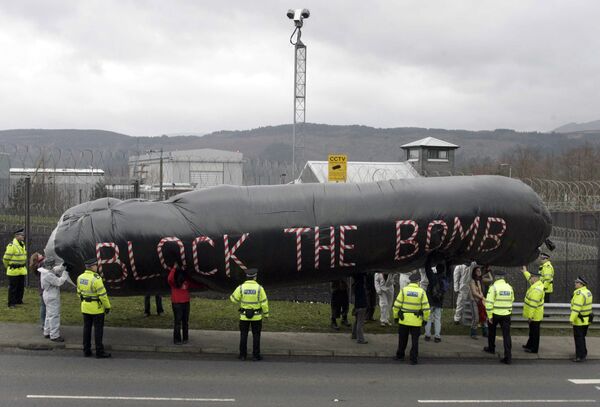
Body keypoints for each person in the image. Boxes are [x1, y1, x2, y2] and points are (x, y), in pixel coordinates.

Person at [230, 268, 269, 361]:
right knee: (256, 336)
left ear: (247, 277)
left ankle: (242, 355)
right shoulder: (260, 288)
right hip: (257, 317)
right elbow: (264, 302)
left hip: (244, 316)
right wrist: (266, 314)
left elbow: (233, 299)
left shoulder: (241, 288)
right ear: (255, 277)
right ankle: (256, 356)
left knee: (243, 335)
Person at [77, 258, 112, 358]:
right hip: (97, 309)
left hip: (85, 308)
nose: (97, 267)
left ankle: (86, 350)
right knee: (98, 330)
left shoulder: (80, 277)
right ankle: (99, 351)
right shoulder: (96, 279)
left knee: (86, 329)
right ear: (92, 267)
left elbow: (79, 293)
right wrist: (107, 307)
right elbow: (103, 295)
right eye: (96, 265)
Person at [393, 272, 430, 365]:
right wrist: (425, 320)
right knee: (415, 341)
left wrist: (396, 317)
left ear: (410, 281)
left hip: (404, 320)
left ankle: (400, 356)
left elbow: (396, 306)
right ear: (418, 281)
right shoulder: (421, 292)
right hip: (416, 321)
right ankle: (413, 359)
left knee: (402, 339)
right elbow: (426, 309)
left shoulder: (404, 290)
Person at [483, 269, 514, 364]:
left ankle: (491, 348)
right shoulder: (509, 287)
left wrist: (489, 316)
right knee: (506, 335)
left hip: (495, 314)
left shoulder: (493, 287)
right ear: (503, 277)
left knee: (492, 332)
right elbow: (512, 299)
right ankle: (508, 357)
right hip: (506, 315)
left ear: (496, 277)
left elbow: (488, 303)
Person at [167, 263, 202, 344]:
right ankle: (177, 340)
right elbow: (169, 278)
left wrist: (204, 285)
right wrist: (174, 268)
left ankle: (185, 338)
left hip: (186, 303)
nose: (183, 284)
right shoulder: (173, 283)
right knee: (178, 322)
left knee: (185, 322)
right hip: (177, 304)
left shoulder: (186, 282)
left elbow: (194, 284)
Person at [39, 258, 69, 342]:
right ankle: (54, 335)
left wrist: (63, 266)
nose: (53, 266)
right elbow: (59, 282)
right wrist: (66, 272)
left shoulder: (45, 271)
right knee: (54, 316)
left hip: (47, 294)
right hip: (52, 295)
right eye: (52, 265)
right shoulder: (48, 275)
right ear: (49, 265)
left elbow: (55, 269)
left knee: (49, 315)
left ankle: (47, 331)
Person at [521, 266, 544, 354]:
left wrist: (530, 316)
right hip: (535, 315)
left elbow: (533, 305)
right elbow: (529, 278)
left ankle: (534, 349)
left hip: (534, 315)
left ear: (535, 279)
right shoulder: (536, 285)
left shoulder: (536, 290)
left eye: (531, 278)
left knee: (535, 333)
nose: (530, 279)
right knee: (532, 332)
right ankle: (529, 345)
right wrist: (525, 272)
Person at [570, 276, 593, 362]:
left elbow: (576, 308)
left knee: (578, 338)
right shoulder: (588, 292)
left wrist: (571, 319)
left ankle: (579, 356)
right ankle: (584, 352)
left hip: (579, 320)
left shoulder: (579, 294)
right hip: (586, 320)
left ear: (581, 284)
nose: (575, 284)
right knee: (582, 337)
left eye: (576, 283)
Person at [3, 228, 28, 308]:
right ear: (17, 236)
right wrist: (8, 266)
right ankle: (11, 303)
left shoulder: (22, 244)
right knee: (13, 288)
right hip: (13, 270)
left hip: (21, 270)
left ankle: (18, 300)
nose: (23, 236)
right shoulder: (12, 245)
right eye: (22, 235)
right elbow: (6, 259)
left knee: (20, 287)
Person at [425, 263, 447, 343]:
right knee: (437, 318)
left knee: (429, 318)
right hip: (439, 300)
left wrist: (429, 259)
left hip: (430, 300)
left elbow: (427, 268)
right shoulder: (445, 278)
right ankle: (437, 336)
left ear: (436, 269)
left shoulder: (432, 276)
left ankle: (427, 335)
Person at [468, 266, 488, 339]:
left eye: (480, 271)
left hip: (480, 300)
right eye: (477, 271)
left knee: (483, 316)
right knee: (476, 318)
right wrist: (482, 297)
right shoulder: (472, 281)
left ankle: (485, 332)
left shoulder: (480, 280)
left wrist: (482, 298)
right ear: (474, 272)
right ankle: (473, 333)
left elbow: (481, 291)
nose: (479, 272)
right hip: (474, 301)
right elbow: (474, 292)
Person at [29, 252, 46, 330]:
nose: (41, 255)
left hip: (41, 289)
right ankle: (44, 324)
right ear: (37, 258)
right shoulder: (40, 265)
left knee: (43, 306)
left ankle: (43, 323)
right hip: (44, 289)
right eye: (39, 255)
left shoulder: (38, 265)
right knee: (44, 307)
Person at [351, 273, 368, 344]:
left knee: (357, 321)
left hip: (357, 305)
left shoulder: (355, 286)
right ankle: (360, 339)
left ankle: (354, 334)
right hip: (362, 306)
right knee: (360, 323)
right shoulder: (361, 286)